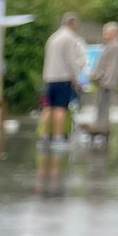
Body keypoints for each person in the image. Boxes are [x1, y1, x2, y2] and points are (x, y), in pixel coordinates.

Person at [42, 12, 87, 148]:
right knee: (60, 108)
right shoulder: (69, 38)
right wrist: (76, 79)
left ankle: (45, 136)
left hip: (49, 78)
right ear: (72, 23)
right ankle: (58, 136)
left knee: (47, 107)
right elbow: (71, 61)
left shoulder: (53, 37)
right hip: (63, 78)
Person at [86, 21, 118, 139]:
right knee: (101, 105)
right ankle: (100, 127)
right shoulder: (110, 46)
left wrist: (104, 79)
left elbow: (112, 66)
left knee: (103, 105)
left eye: (106, 33)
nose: (104, 35)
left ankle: (101, 128)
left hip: (106, 82)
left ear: (114, 33)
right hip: (104, 81)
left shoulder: (114, 46)